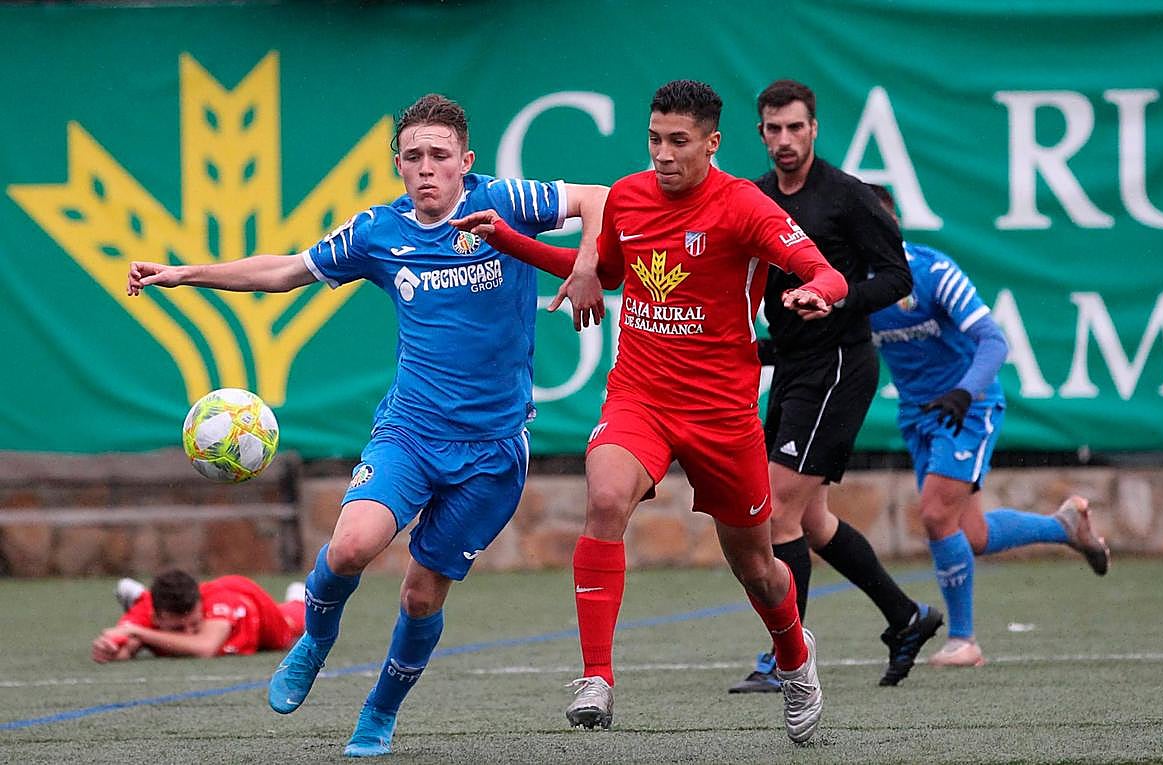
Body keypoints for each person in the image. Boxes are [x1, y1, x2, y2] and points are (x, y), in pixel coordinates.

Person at [127, 93, 608, 758]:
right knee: (351, 545)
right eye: (413, 157)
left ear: (465, 161)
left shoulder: (506, 202)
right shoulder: (378, 233)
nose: (427, 167)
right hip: (409, 432)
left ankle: (379, 711)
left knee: (419, 593)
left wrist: (585, 262)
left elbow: (598, 197)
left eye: (441, 155)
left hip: (493, 452)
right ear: (399, 166)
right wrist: (185, 273)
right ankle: (315, 640)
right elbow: (284, 270)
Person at [454, 80, 847, 744]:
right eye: (654, 139)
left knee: (756, 565)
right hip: (640, 394)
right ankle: (596, 677)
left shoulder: (743, 206)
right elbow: (607, 273)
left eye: (678, 142)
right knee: (605, 497)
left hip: (722, 414)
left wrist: (819, 292)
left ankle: (794, 657)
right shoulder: (629, 195)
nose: (662, 154)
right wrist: (509, 238)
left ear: (712, 144)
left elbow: (820, 268)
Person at [730, 78, 941, 693]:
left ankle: (785, 659)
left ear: (814, 128)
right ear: (761, 132)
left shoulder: (846, 196)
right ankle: (906, 617)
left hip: (841, 365)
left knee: (776, 511)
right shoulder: (757, 196)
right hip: (794, 367)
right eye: (773, 129)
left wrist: (837, 297)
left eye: (796, 127)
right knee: (812, 520)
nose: (785, 140)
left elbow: (896, 277)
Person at [866, 183, 1111, 667]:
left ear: (895, 225)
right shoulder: (853, 285)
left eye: (881, 224)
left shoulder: (933, 271)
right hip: (919, 415)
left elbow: (993, 340)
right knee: (970, 534)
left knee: (936, 515)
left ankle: (964, 640)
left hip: (968, 406)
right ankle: (1064, 527)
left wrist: (965, 391)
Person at [91, 570, 305, 663]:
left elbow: (205, 648)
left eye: (195, 623)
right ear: (156, 617)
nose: (189, 632)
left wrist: (138, 632)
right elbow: (125, 647)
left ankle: (297, 598)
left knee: (298, 622)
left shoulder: (222, 600)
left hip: (254, 613)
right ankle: (139, 595)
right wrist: (110, 651)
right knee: (141, 612)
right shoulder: (146, 612)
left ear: (200, 604)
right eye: (178, 628)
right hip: (149, 611)